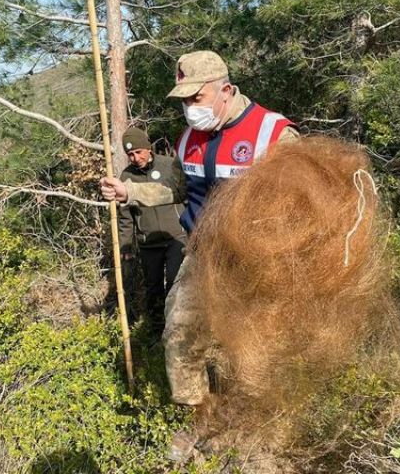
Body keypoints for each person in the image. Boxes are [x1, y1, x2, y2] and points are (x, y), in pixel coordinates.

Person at [101, 51, 299, 408]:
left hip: (253, 261)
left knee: (252, 345)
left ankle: (252, 415)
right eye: (184, 100)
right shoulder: (188, 138)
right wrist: (128, 190)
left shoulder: (273, 134)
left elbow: (299, 206)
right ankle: (199, 415)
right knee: (179, 334)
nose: (190, 108)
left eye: (197, 98)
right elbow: (176, 189)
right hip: (202, 253)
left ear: (225, 89)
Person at [117, 127, 187, 334]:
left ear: (148, 148)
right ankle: (158, 330)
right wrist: (125, 246)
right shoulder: (126, 176)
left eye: (138, 151)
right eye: (130, 154)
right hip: (148, 243)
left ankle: (178, 328)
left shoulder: (169, 165)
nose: (135, 157)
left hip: (176, 237)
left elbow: (186, 194)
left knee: (176, 283)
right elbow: (125, 216)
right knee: (153, 288)